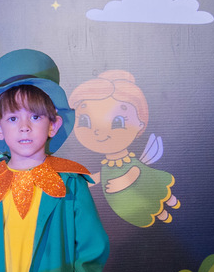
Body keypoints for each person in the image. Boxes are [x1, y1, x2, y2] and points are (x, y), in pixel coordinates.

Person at [0, 50, 109, 272]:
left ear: (53, 125)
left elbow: (91, 249)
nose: (24, 127)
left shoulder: (70, 182)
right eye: (13, 118)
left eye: (35, 116)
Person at [68, 70, 179, 227]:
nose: (98, 131)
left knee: (159, 197)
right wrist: (84, 183)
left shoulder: (128, 161)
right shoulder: (106, 165)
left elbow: (135, 171)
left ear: (140, 123)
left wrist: (121, 182)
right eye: (84, 120)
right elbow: (100, 176)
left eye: (117, 122)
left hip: (141, 187)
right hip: (122, 204)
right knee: (147, 211)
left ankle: (172, 205)